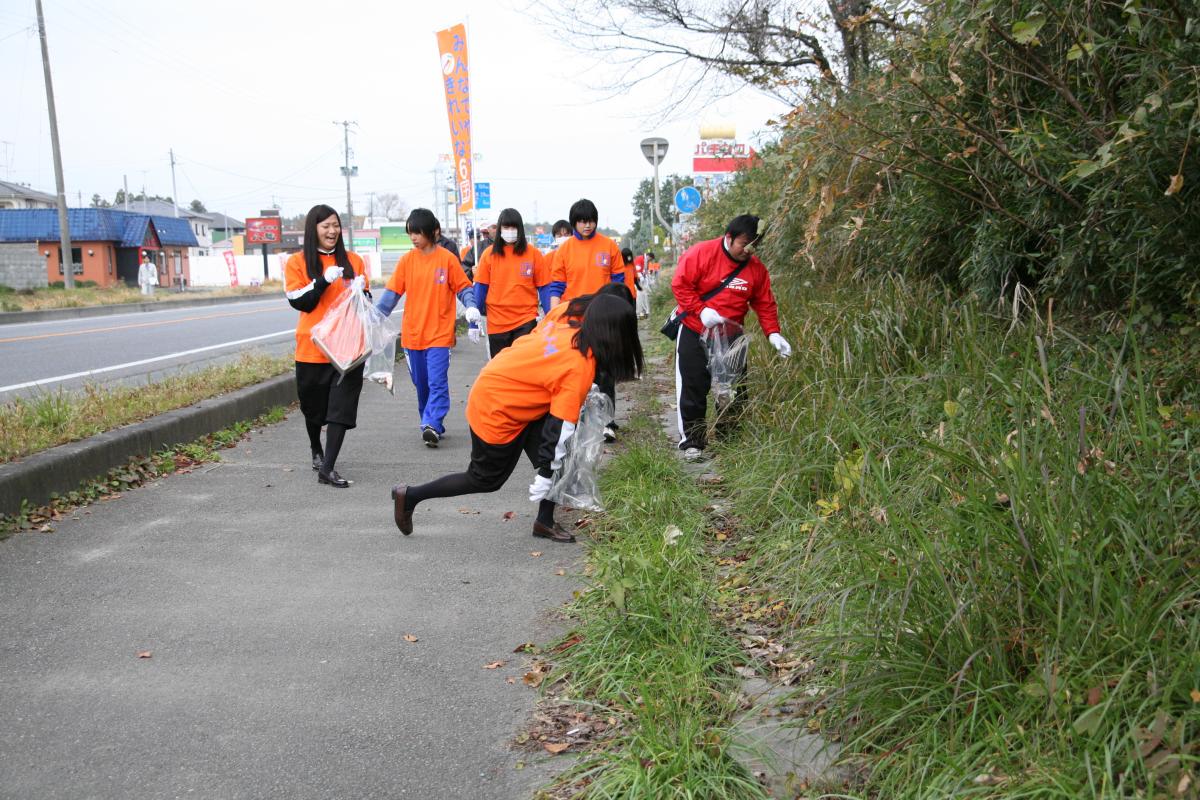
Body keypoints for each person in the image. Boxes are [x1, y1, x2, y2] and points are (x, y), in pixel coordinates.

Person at [390, 294, 644, 543]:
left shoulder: (567, 318)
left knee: (561, 458)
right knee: (484, 479)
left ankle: (544, 522)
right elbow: (560, 430)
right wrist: (546, 476)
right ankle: (410, 495)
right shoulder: (578, 366)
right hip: (496, 406)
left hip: (515, 390)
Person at [671, 214, 792, 461]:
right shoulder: (701, 254)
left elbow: (764, 302)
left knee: (733, 391)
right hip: (695, 328)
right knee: (693, 385)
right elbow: (680, 285)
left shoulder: (755, 269)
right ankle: (693, 441)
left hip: (732, 335)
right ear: (729, 238)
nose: (748, 251)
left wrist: (773, 333)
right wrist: (701, 310)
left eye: (753, 246)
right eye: (743, 244)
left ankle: (730, 439)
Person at [376, 208, 480, 448]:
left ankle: (432, 423)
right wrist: (375, 317)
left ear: (433, 232)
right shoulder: (407, 261)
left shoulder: (446, 259)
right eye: (410, 233)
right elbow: (391, 295)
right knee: (421, 385)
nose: (413, 238)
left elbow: (463, 288)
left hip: (440, 335)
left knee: (437, 382)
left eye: (418, 233)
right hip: (413, 336)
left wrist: (471, 308)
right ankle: (430, 422)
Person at [284, 204, 370, 488]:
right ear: (314, 230)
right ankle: (316, 449)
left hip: (347, 348)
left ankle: (328, 467)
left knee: (340, 409)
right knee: (314, 411)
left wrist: (362, 292)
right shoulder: (296, 263)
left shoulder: (355, 261)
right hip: (311, 348)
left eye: (335, 225)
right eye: (325, 226)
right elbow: (301, 301)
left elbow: (364, 304)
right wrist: (322, 280)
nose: (332, 231)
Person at [474, 208, 552, 358]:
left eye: (514, 227)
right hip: (497, 322)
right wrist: (474, 319)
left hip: (526, 320)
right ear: (500, 229)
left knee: (523, 367)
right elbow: (480, 288)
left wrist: (551, 317)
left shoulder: (533, 254)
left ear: (520, 229)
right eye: (506, 227)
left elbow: (545, 288)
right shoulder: (489, 255)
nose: (510, 231)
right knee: (501, 370)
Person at [545, 199, 626, 306]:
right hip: (572, 310)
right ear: (574, 222)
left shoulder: (610, 245)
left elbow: (618, 282)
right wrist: (553, 315)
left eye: (591, 221)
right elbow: (557, 286)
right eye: (583, 221)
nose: (588, 225)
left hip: (602, 309)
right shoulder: (563, 250)